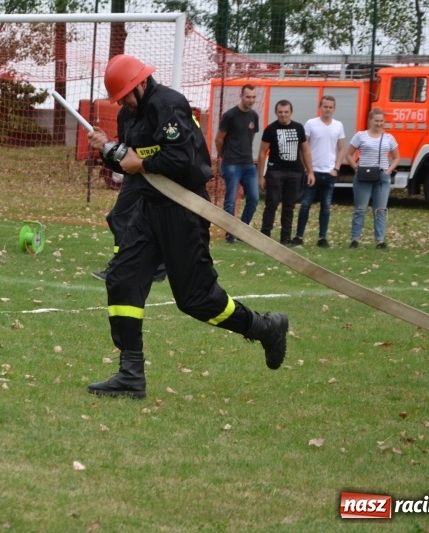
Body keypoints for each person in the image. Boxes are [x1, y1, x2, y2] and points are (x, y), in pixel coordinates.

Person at [85, 54, 289, 399]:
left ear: (140, 85)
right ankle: (130, 375)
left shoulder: (170, 105)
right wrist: (107, 150)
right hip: (148, 209)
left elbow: (189, 161)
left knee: (196, 299)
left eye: (124, 97)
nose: (123, 105)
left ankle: (265, 327)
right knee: (122, 280)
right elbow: (130, 162)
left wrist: (142, 161)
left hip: (183, 210)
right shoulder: (128, 115)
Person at [257, 100, 315, 245]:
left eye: (286, 112)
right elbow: (262, 153)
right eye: (280, 112)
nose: (283, 115)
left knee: (289, 207)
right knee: (272, 204)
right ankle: (265, 236)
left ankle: (286, 239)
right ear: (276, 113)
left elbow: (305, 150)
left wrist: (310, 172)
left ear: (291, 112)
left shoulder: (298, 128)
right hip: (275, 172)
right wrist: (260, 176)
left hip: (295, 173)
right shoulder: (270, 129)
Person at [90, 177, 167, 283]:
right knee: (118, 218)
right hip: (141, 175)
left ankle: (120, 268)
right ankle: (156, 269)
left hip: (142, 174)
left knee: (120, 218)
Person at [344, 107, 400, 249]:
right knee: (360, 209)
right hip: (364, 175)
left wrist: (388, 171)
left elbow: (396, 157)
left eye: (381, 121)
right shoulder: (360, 136)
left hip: (382, 177)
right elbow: (349, 154)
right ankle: (355, 239)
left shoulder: (389, 138)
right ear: (370, 120)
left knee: (380, 209)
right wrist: (356, 168)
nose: (379, 124)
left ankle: (380, 240)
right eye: (376, 121)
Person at [293, 96, 345, 248]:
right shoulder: (311, 124)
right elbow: (304, 146)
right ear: (320, 107)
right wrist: (306, 168)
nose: (327, 109)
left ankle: (322, 238)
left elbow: (341, 148)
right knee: (305, 205)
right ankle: (299, 236)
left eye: (330, 107)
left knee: (326, 206)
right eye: (325, 106)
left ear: (334, 109)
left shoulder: (338, 126)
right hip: (312, 171)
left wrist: (336, 168)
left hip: (329, 173)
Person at [215, 84, 260, 242]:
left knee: (254, 198)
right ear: (241, 96)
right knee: (230, 199)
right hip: (232, 164)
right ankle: (230, 233)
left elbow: (251, 137)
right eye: (248, 97)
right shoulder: (230, 116)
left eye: (254, 97)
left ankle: (242, 230)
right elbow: (219, 139)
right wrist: (224, 157)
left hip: (248, 164)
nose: (251, 100)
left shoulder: (254, 116)